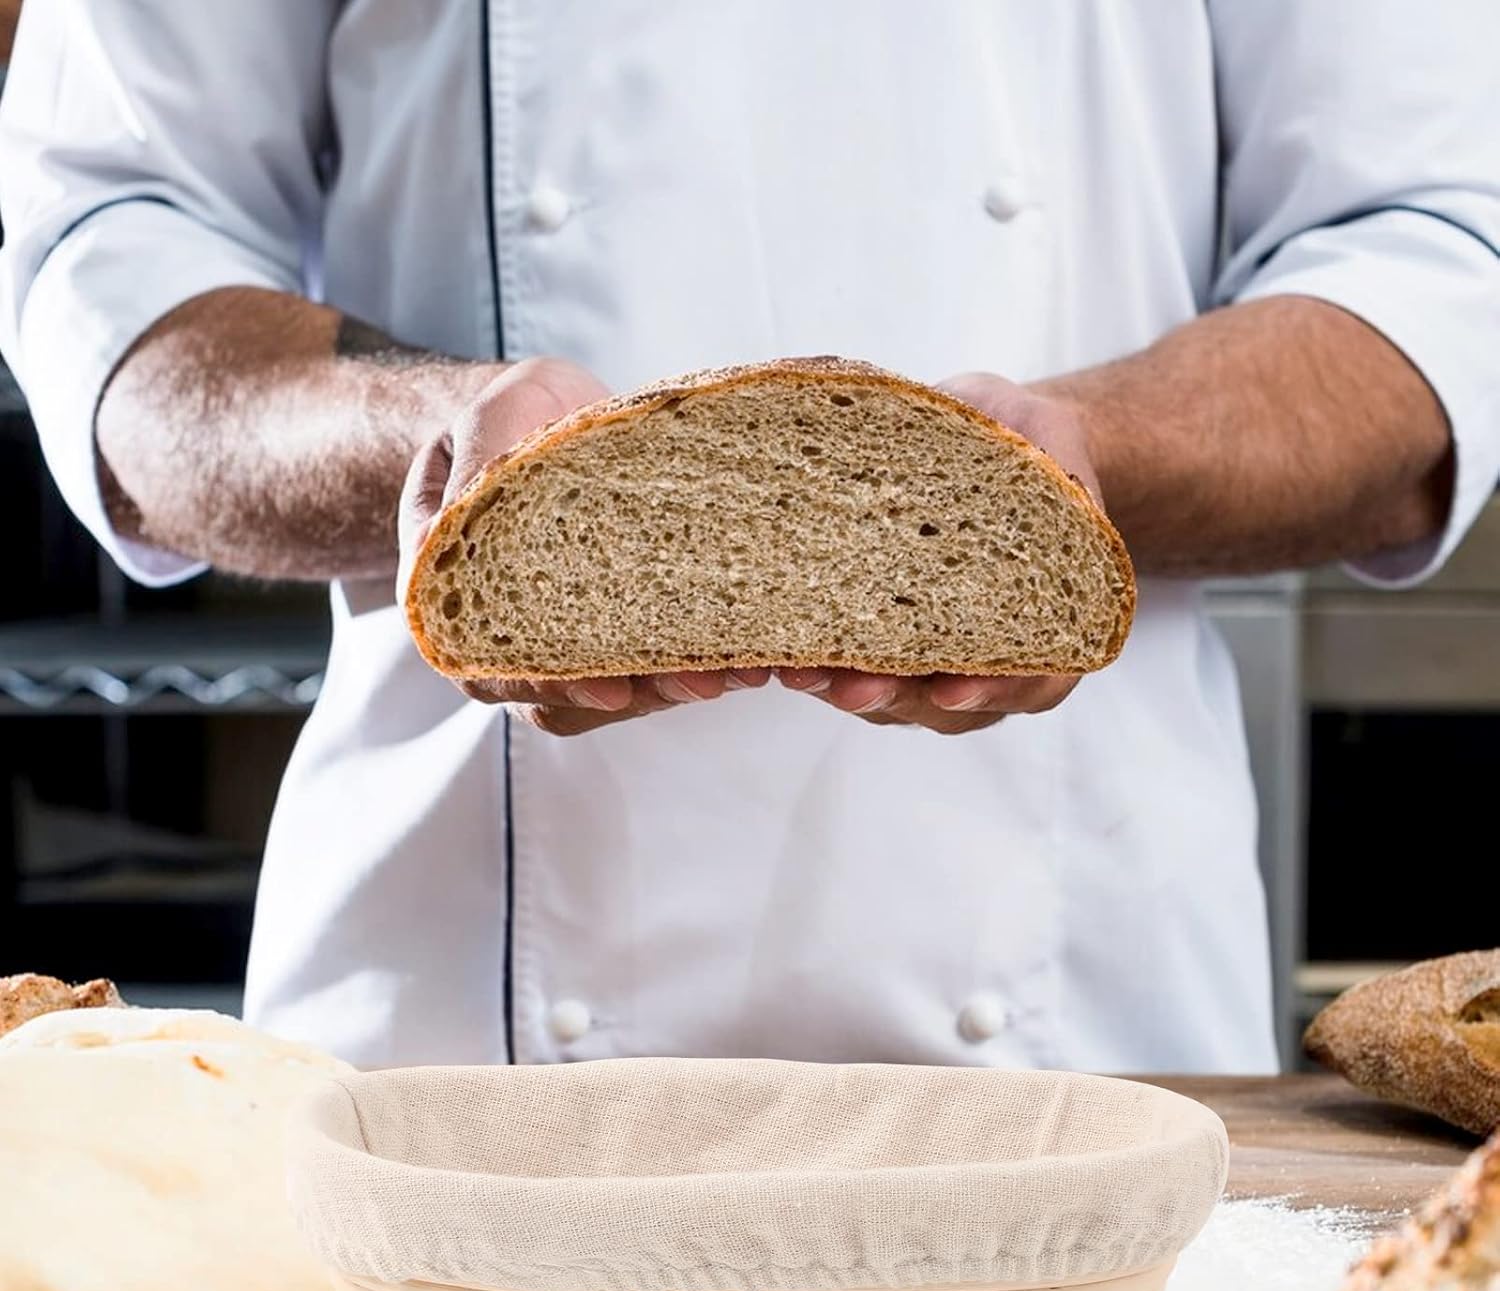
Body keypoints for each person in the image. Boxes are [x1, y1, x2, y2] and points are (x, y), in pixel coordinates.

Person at [1, 4, 1495, 1072]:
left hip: (1077, 1032)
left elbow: (1431, 265)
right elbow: (120, 268)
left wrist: (1063, 476)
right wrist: (436, 452)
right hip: (459, 1040)